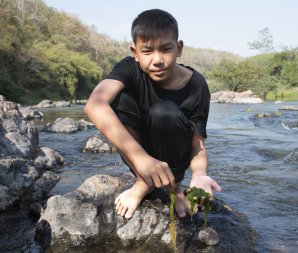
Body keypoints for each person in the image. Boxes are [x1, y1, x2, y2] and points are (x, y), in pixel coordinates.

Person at [84, 9, 221, 219]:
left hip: (175, 152)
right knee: (117, 98)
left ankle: (173, 186)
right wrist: (141, 159)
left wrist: (199, 175)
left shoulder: (196, 85)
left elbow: (197, 144)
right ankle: (144, 181)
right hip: (140, 158)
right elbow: (94, 105)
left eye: (166, 49)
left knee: (164, 112)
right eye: (147, 51)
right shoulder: (129, 69)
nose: (157, 60)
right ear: (135, 53)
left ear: (179, 48)